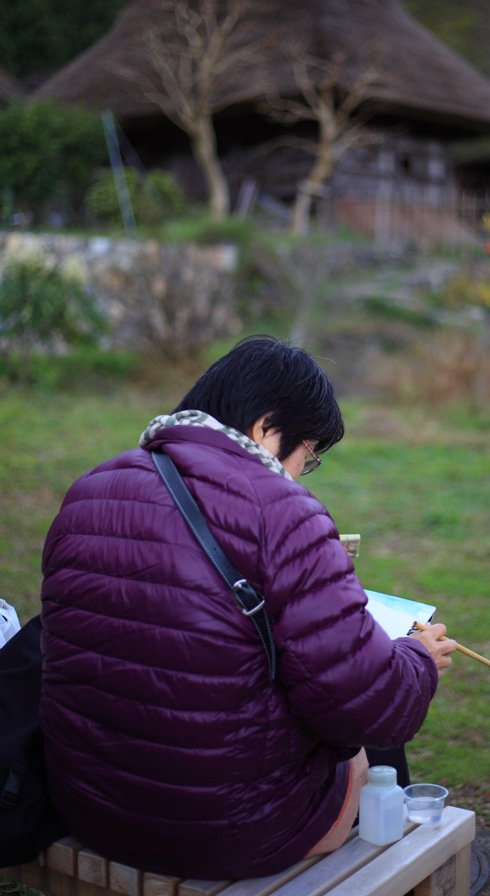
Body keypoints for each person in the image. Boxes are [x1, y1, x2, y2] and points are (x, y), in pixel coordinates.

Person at [40, 335, 457, 880]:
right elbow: (371, 708)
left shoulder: (91, 488)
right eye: (307, 455)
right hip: (230, 833)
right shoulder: (284, 512)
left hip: (92, 806)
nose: (301, 473)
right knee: (367, 752)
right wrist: (418, 659)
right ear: (264, 428)